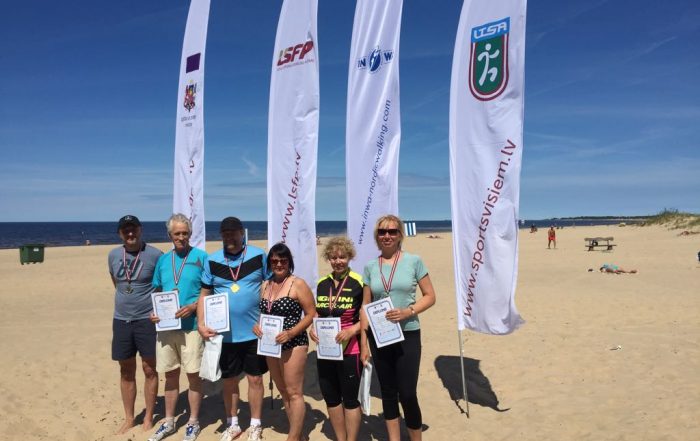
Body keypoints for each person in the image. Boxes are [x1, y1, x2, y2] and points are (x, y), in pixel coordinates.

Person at [360, 215, 436, 441]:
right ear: (377, 236)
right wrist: (364, 343)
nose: (387, 236)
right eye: (382, 232)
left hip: (408, 332)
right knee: (388, 392)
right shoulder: (370, 266)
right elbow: (365, 305)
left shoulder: (414, 261)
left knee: (408, 393)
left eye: (392, 231)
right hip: (379, 336)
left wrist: (408, 311)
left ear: (400, 235)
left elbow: (430, 296)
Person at [197, 217, 268, 441]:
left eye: (233, 233)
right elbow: (204, 294)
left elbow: (269, 287)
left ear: (241, 233)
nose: (229, 237)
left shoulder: (259, 255)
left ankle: (255, 424)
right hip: (224, 335)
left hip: (254, 332)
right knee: (229, 381)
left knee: (255, 379)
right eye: (225, 233)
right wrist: (200, 324)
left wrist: (267, 319)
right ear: (221, 235)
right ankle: (233, 423)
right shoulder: (212, 260)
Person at [148, 214, 208, 441]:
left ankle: (193, 422)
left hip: (191, 327)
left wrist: (194, 306)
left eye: (185, 233)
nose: (181, 237)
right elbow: (156, 289)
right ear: (170, 235)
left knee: (193, 376)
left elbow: (209, 290)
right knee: (170, 375)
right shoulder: (164, 260)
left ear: (190, 234)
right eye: (177, 233)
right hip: (166, 328)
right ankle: (169, 421)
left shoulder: (201, 257)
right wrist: (154, 312)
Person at [253, 243, 315, 441]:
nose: (278, 264)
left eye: (283, 260)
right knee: (283, 390)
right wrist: (257, 326)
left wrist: (291, 332)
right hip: (270, 345)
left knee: (294, 392)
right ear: (269, 263)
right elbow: (264, 313)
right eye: (274, 261)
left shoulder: (298, 284)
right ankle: (298, 434)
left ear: (289, 262)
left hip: (293, 342)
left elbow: (311, 313)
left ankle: (293, 437)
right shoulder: (265, 284)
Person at [107, 215, 163, 434]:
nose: (130, 233)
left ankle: (148, 416)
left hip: (146, 321)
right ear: (120, 233)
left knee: (149, 369)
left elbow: (162, 286)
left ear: (140, 230)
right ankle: (130, 418)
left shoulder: (156, 255)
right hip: (121, 320)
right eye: (125, 230)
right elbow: (116, 282)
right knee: (126, 370)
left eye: (133, 229)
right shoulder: (113, 255)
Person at [309, 237, 364, 441]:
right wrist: (313, 327)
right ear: (328, 259)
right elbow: (319, 311)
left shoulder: (359, 282)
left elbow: (367, 317)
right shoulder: (322, 284)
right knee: (331, 398)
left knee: (350, 400)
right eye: (333, 258)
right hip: (326, 350)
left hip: (351, 349)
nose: (338, 261)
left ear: (349, 257)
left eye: (342, 257)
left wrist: (352, 331)